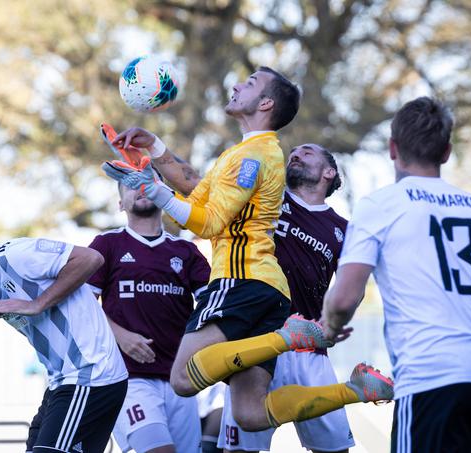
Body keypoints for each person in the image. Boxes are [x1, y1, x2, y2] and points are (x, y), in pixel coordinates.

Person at [103, 67, 392, 433]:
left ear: (266, 103)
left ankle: (287, 338)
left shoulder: (253, 155)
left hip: (241, 280)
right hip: (267, 291)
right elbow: (194, 189)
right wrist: (155, 149)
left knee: (182, 379)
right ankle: (355, 390)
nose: (237, 85)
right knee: (250, 413)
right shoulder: (247, 151)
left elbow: (208, 223)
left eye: (250, 83)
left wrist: (155, 191)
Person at [321, 96, 471, 452]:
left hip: (429, 383)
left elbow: (343, 299)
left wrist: (328, 328)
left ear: (392, 148)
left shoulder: (380, 206)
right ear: (446, 152)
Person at [0, 238, 129, 453]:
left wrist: (37, 304)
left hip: (92, 375)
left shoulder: (16, 258)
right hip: (61, 382)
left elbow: (90, 258)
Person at [219, 143, 356, 453]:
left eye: (307, 153)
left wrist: (332, 322)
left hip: (308, 346)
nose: (295, 154)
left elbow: (352, 285)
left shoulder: (343, 230)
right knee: (241, 450)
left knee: (334, 449)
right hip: (256, 340)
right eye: (293, 151)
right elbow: (209, 194)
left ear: (328, 172)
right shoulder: (266, 200)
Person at [87, 181, 211, 453]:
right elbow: (82, 304)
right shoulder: (108, 244)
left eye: (147, 183)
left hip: (180, 378)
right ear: (120, 203)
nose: (140, 189)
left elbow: (213, 304)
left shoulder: (186, 251)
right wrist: (120, 335)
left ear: (164, 196)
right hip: (129, 378)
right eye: (130, 187)